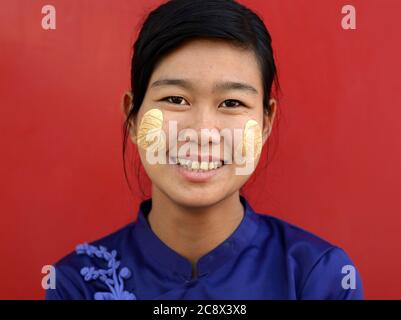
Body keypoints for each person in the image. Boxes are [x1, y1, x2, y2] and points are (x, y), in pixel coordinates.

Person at [46, 0, 363, 300]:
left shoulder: (318, 277)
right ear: (133, 115)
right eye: (175, 99)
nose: (202, 132)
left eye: (232, 103)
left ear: (265, 123)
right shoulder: (78, 283)